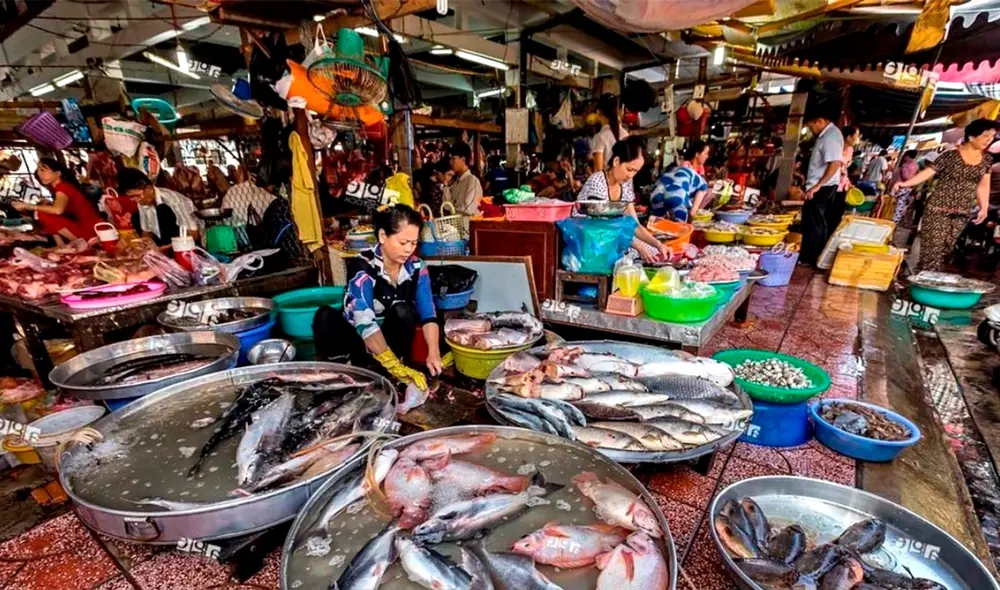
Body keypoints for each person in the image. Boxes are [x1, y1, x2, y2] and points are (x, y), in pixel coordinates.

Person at [315, 204, 440, 390]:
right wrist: (393, 366)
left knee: (403, 311)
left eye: (414, 243)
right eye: (403, 242)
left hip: (392, 343)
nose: (409, 250)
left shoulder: (417, 268)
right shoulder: (362, 266)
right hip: (360, 341)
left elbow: (428, 315)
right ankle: (348, 370)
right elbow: (364, 322)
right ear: (383, 236)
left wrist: (434, 352)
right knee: (324, 316)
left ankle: (391, 366)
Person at [893, 118, 999, 271]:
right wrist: (905, 184)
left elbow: (983, 186)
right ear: (971, 137)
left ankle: (924, 276)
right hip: (937, 208)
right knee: (932, 249)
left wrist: (983, 208)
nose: (989, 140)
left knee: (945, 249)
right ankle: (925, 282)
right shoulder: (949, 156)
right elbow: (927, 173)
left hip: (962, 211)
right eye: (985, 135)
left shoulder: (987, 160)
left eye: (992, 136)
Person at [577, 137, 670, 262]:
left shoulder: (624, 186)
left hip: (613, 235)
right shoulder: (597, 182)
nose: (630, 175)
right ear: (616, 161)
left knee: (652, 251)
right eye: (629, 169)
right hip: (591, 238)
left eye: (635, 172)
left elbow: (634, 225)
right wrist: (638, 246)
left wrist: (659, 245)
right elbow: (601, 227)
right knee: (636, 251)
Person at [13, 157, 102, 243]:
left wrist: (27, 206)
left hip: (90, 230)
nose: (39, 173)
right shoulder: (60, 188)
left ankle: (80, 242)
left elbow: (58, 210)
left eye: (43, 170)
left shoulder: (63, 187)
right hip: (91, 228)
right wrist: (49, 203)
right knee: (44, 209)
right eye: (39, 170)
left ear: (58, 173)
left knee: (42, 213)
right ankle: (61, 244)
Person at [799, 111, 845, 266]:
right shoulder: (828, 135)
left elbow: (835, 164)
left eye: (810, 125)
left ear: (819, 120)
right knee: (813, 221)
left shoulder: (831, 137)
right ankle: (812, 256)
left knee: (814, 222)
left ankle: (810, 258)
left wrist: (817, 186)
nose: (810, 129)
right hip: (821, 185)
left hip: (822, 187)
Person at [649, 140, 711, 222]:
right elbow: (692, 212)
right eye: (706, 153)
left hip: (657, 193)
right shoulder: (703, 184)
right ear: (697, 154)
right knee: (680, 227)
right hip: (676, 194)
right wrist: (692, 215)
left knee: (659, 225)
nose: (707, 156)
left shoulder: (685, 171)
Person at [827, 126, 862, 238]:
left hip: (841, 186)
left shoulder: (850, 150)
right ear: (848, 137)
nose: (858, 139)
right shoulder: (835, 147)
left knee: (836, 215)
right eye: (856, 136)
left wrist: (847, 182)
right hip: (829, 184)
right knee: (827, 213)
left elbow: (844, 169)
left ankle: (829, 238)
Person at [591, 93, 629, 173]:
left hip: (608, 183)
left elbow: (599, 172)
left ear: (598, 112)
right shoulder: (626, 134)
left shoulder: (600, 137)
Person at [447, 142, 483, 217]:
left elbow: (468, 209)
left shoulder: (473, 181)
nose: (451, 162)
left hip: (469, 226)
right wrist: (445, 184)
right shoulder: (456, 183)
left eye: (453, 158)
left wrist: (452, 210)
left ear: (463, 159)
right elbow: (446, 206)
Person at [890, 150, 920, 224]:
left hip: (901, 187)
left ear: (908, 156)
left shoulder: (906, 165)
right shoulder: (916, 165)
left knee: (895, 204)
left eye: (905, 156)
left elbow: (905, 176)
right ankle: (896, 220)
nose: (904, 157)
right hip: (909, 187)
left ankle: (894, 220)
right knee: (901, 204)